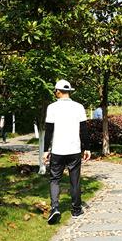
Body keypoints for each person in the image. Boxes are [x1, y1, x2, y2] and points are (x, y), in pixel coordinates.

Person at [43, 79, 91, 224]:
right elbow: (84, 129)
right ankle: (76, 209)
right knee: (75, 180)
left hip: (58, 150)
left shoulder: (52, 108)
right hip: (74, 150)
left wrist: (45, 150)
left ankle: (55, 208)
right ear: (69, 91)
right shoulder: (79, 107)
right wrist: (87, 148)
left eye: (55, 91)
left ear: (58, 92)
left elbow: (49, 131)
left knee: (55, 179)